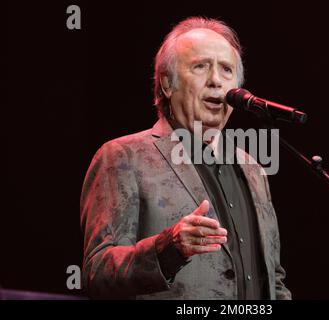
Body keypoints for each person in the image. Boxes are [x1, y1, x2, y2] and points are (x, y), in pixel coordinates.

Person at [80, 16, 291, 300]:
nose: (217, 80)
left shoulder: (253, 168)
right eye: (201, 67)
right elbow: (97, 274)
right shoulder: (123, 157)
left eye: (227, 70)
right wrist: (169, 249)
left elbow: (273, 277)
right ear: (167, 84)